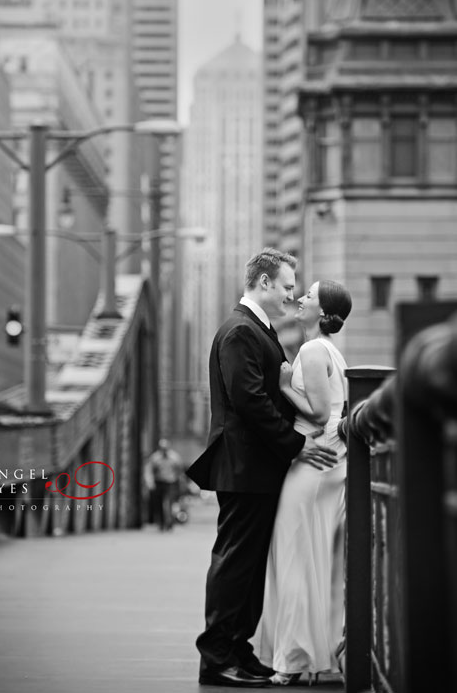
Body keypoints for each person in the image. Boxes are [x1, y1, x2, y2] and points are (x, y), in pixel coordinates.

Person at [186, 249, 339, 688]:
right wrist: (297, 446)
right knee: (236, 562)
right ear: (265, 283)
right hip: (245, 466)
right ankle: (216, 657)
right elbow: (249, 399)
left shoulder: (259, 330)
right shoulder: (240, 331)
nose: (293, 295)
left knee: (249, 565)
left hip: (257, 466)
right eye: (289, 286)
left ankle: (239, 649)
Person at [254, 279, 352, 686]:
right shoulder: (332, 352)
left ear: (323, 312)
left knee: (294, 557)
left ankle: (293, 659)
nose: (299, 298)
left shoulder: (312, 350)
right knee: (315, 560)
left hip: (313, 462)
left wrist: (279, 386)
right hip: (331, 461)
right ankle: (316, 653)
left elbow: (314, 413)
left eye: (308, 295)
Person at [144, 438, 184, 531]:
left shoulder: (174, 457)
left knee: (169, 502)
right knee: (159, 503)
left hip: (171, 482)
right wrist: (150, 482)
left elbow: (179, 470)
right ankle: (161, 523)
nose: (164, 449)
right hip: (159, 482)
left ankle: (169, 522)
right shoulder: (155, 458)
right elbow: (149, 471)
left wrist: (179, 481)